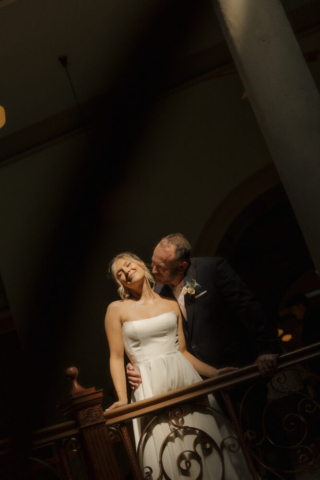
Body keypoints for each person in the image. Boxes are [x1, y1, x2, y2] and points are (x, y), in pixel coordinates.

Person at [105, 252, 252, 480]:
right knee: (167, 451)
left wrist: (214, 373)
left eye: (127, 265)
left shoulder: (171, 303)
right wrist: (123, 398)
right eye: (120, 274)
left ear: (140, 265)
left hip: (185, 379)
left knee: (205, 442)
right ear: (120, 283)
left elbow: (182, 351)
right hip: (150, 387)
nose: (125, 272)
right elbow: (116, 357)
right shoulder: (116, 309)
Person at [127, 233, 280, 393]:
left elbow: (248, 308)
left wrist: (268, 348)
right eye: (153, 262)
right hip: (197, 379)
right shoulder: (158, 292)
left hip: (236, 369)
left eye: (161, 267)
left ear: (182, 266)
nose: (154, 269)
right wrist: (136, 364)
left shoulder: (212, 269)